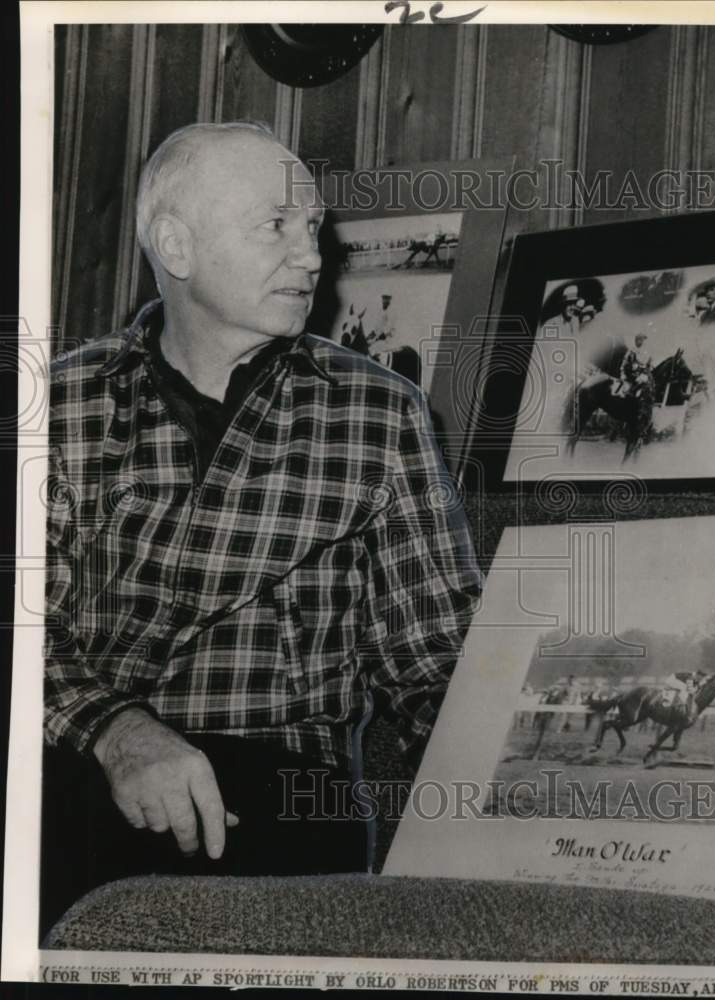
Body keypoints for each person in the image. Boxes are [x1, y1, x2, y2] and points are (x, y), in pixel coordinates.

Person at [41, 121, 484, 934]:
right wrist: (118, 732)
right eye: (275, 226)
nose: (312, 257)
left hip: (276, 788)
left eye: (312, 228)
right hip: (80, 759)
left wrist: (505, 797)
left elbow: (435, 662)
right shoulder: (59, 405)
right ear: (176, 247)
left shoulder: (375, 409)